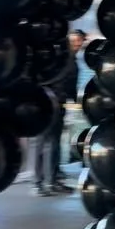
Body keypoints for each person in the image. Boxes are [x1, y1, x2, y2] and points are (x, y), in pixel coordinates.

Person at [33, 30, 86, 197]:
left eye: (79, 41)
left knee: (44, 143)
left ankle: (44, 181)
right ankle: (48, 182)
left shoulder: (61, 59)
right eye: (74, 40)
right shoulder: (65, 60)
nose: (76, 44)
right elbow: (65, 85)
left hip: (48, 103)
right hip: (52, 105)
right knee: (50, 143)